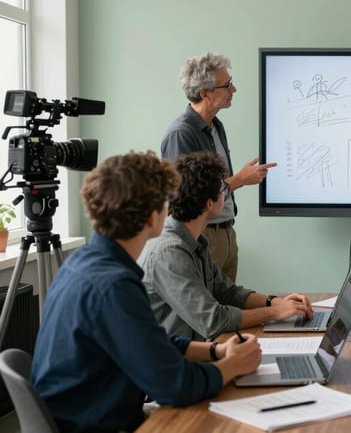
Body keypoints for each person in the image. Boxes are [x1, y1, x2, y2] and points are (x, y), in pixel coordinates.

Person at [30, 151, 263, 433]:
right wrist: (233, 366)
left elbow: (152, 342)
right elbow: (175, 386)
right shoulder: (114, 285)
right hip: (97, 424)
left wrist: (217, 350)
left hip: (89, 413)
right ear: (154, 216)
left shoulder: (85, 262)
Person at [139, 151, 314, 341]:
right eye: (224, 189)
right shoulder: (170, 253)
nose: (227, 194)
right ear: (209, 204)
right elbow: (213, 320)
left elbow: (228, 293)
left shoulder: (194, 240)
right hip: (176, 363)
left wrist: (275, 302)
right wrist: (275, 313)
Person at [162, 52, 277, 283]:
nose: (233, 90)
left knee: (229, 303)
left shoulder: (216, 126)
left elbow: (213, 185)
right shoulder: (181, 134)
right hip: (202, 236)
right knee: (209, 314)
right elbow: (186, 197)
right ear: (205, 93)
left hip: (225, 233)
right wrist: (241, 179)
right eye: (228, 85)